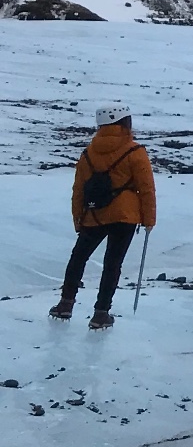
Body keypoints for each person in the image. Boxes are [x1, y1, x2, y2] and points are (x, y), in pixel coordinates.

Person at [57, 102, 156, 329]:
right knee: (113, 264)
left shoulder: (88, 153)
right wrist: (149, 219)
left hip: (94, 214)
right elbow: (146, 188)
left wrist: (78, 218)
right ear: (124, 123)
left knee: (78, 257)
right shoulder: (135, 151)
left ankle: (66, 302)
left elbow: (79, 189)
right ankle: (101, 313)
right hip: (125, 216)